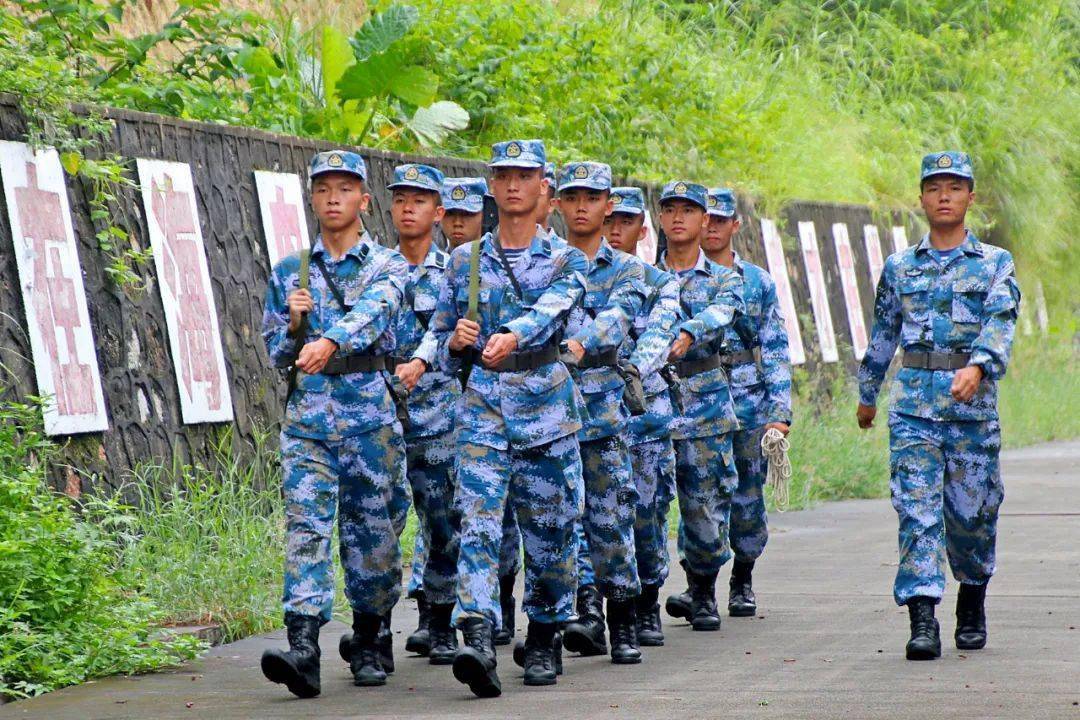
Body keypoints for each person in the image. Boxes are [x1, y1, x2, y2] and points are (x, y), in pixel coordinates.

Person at [432, 139, 588, 696]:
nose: (514, 184)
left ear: (543, 185)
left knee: (551, 534)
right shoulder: (463, 260)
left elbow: (554, 310)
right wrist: (454, 340)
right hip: (483, 409)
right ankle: (476, 635)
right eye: (504, 175)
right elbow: (439, 333)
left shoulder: (567, 260)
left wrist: (513, 334)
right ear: (492, 187)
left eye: (525, 175)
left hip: (546, 407)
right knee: (476, 522)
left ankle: (544, 634)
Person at [857, 151, 1020, 660]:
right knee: (916, 513)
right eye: (934, 188)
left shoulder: (994, 263)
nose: (944, 196)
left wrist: (979, 366)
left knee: (972, 517)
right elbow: (884, 332)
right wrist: (867, 394)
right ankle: (922, 617)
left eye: (954, 187)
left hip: (972, 411)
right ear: (922, 198)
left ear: (971, 197)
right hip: (913, 409)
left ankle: (971, 598)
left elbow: (1001, 319)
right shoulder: (900, 266)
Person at [260, 150, 408, 694]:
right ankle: (303, 648)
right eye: (323, 189)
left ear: (363, 200)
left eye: (344, 189)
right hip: (308, 424)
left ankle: (370, 636)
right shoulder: (289, 270)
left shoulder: (387, 265)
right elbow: (276, 351)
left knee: (373, 536)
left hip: (370, 420)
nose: (332, 198)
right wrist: (296, 327)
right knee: (306, 529)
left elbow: (376, 311)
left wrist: (330, 339)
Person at [667, 188, 792, 619]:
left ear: (734, 226)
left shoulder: (755, 282)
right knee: (701, 491)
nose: (714, 228)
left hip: (748, 402)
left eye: (722, 221)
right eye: (710, 220)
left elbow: (774, 347)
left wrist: (779, 412)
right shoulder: (669, 278)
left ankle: (743, 576)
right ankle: (698, 584)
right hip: (694, 401)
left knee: (745, 496)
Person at [554, 163, 647, 665]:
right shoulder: (543, 262)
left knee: (610, 521)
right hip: (547, 412)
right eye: (573, 197)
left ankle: (623, 618)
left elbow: (617, 321)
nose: (583, 205)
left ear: (609, 204)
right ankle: (578, 612)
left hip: (604, 410)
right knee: (556, 521)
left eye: (593, 197)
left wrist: (577, 344)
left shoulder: (628, 270)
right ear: (559, 204)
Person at [655, 181, 745, 633]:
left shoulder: (725, 277)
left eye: (687, 211)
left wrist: (688, 331)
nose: (677, 218)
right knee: (646, 504)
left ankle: (704, 589)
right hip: (651, 403)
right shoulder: (642, 275)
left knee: (705, 506)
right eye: (669, 209)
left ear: (705, 221)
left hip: (705, 400)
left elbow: (723, 311)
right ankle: (639, 601)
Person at [604, 186, 682, 646]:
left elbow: (659, 338)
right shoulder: (574, 278)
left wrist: (628, 369)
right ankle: (597, 607)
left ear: (641, 229)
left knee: (647, 513)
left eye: (626, 222)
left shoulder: (656, 282)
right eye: (610, 219)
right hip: (591, 413)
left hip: (644, 414)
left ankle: (648, 597)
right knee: (593, 515)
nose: (615, 230)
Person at [441, 176, 488, 249]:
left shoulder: (496, 259)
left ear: (484, 214)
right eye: (449, 213)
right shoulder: (432, 259)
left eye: (467, 214)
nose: (457, 223)